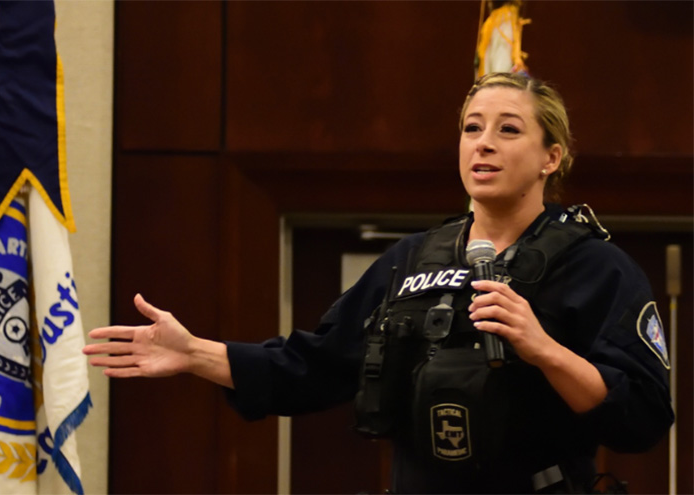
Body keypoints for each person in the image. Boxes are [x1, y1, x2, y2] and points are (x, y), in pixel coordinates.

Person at [83, 72, 674, 493]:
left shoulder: (596, 267)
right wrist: (194, 354)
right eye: (472, 127)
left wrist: (543, 349)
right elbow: (312, 366)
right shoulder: (411, 260)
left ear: (552, 157)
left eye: (509, 129)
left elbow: (643, 418)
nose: (484, 142)